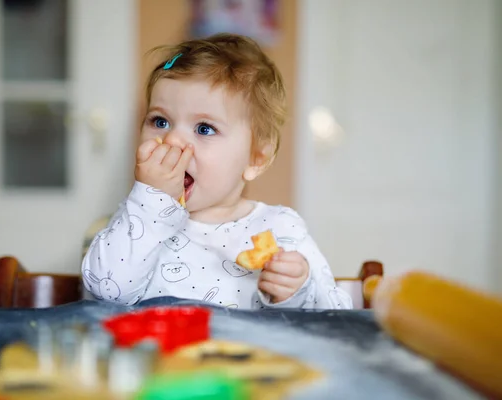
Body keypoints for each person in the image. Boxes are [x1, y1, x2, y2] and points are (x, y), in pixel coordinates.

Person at [82, 33, 352, 310]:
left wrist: (297, 292)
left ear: (256, 158)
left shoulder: (281, 229)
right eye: (160, 121)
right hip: (159, 352)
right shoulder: (137, 219)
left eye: (204, 129)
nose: (172, 140)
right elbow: (106, 293)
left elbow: (338, 317)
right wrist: (150, 202)